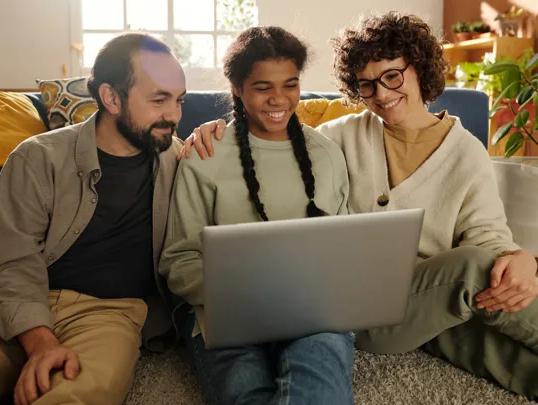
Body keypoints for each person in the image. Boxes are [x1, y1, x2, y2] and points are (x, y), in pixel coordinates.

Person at [180, 13, 538, 399]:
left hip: (423, 304)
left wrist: (520, 258)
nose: (382, 94)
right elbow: (271, 136)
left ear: (418, 68)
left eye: (392, 77)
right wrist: (212, 128)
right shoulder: (340, 137)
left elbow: (489, 235)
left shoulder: (467, 151)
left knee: (486, 341)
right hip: (353, 304)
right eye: (367, 85)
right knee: (473, 268)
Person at [159, 26, 354, 405]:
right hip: (222, 314)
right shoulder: (206, 157)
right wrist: (252, 292)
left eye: (291, 84)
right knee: (244, 392)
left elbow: (345, 248)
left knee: (319, 389)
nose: (279, 99)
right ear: (237, 88)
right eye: (263, 87)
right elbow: (179, 262)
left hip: (310, 311)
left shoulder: (327, 154)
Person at [0, 33, 186, 405]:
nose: (175, 115)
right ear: (111, 97)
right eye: (159, 99)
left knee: (83, 394)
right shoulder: (37, 158)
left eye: (179, 100)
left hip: (108, 313)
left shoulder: (180, 157)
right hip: (22, 296)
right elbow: (13, 260)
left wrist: (221, 137)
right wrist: (40, 342)